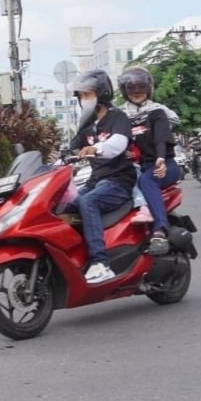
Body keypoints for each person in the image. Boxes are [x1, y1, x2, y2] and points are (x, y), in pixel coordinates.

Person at [66, 70, 137, 284]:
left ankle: (100, 262)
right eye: (82, 95)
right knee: (62, 205)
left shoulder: (117, 117)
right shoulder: (86, 124)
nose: (84, 99)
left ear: (102, 93)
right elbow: (69, 151)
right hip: (95, 181)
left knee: (88, 202)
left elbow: (118, 144)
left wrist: (95, 149)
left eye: (88, 94)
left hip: (119, 181)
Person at [117, 67, 182, 254]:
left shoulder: (157, 112)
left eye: (141, 87)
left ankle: (160, 231)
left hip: (164, 165)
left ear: (149, 89)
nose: (137, 92)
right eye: (131, 88)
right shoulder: (120, 116)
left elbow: (161, 138)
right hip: (136, 166)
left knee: (147, 179)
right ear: (125, 91)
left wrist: (161, 159)